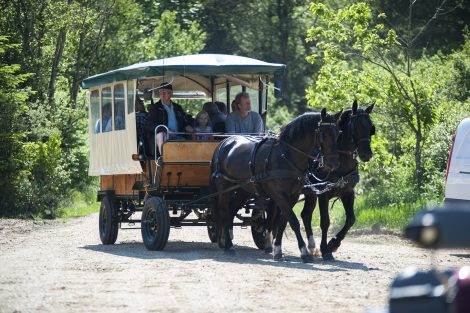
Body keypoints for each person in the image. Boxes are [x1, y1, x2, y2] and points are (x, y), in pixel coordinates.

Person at [145, 82, 194, 156]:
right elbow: (149, 124)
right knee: (161, 135)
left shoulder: (178, 107)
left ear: (171, 94)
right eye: (161, 92)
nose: (162, 94)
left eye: (165, 92)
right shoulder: (155, 107)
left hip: (178, 136)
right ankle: (164, 160)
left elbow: (184, 120)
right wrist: (166, 130)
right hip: (162, 136)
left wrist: (187, 126)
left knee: (188, 140)